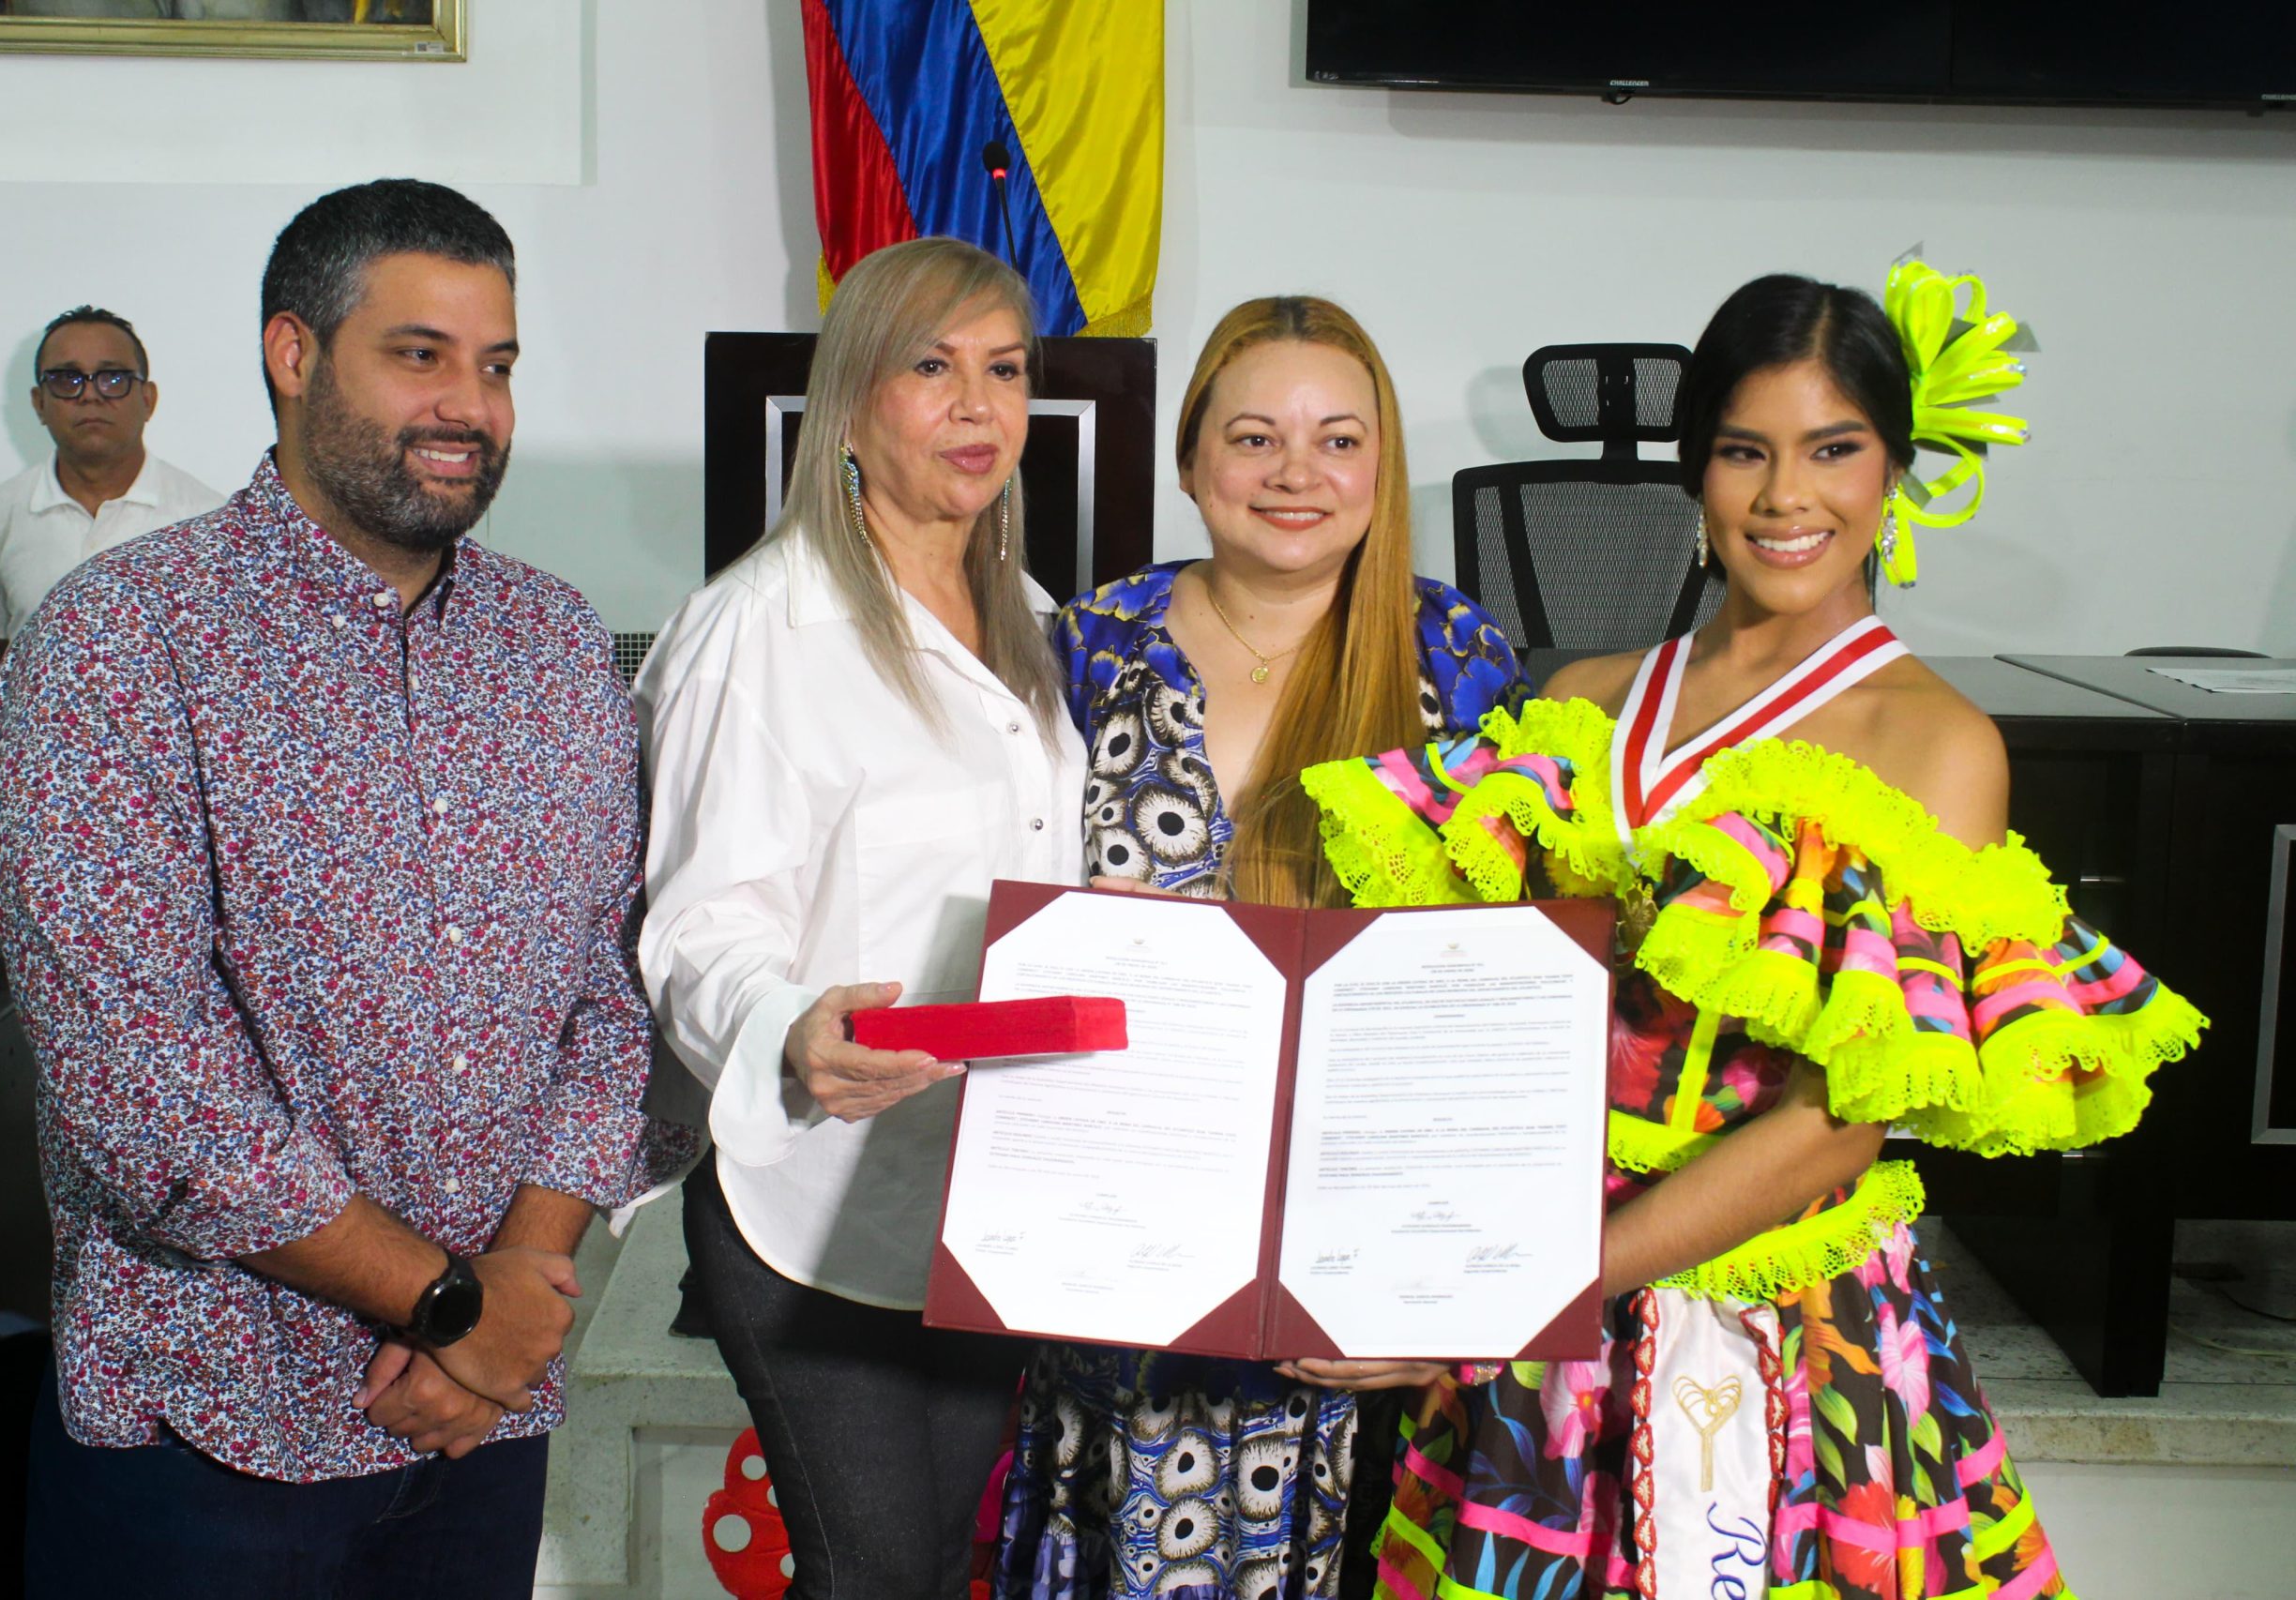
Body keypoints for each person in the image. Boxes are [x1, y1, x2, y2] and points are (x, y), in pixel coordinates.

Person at [1302, 266, 2207, 1600]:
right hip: (1545, 1332)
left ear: (1896, 468)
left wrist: (1530, 1293)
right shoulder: (1586, 700)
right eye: (1746, 451)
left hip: (1783, 1344)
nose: (1788, 498)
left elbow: (1836, 1121)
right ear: (1696, 474)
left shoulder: (1935, 744)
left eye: (1833, 449)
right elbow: (1492, 1026)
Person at [0, 178, 683, 1598]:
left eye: (496, 366)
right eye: (418, 353)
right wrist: (450, 1306)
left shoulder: (556, 648)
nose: (468, 406)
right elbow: (142, 1088)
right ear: (293, 355)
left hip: (476, 1431)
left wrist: (515, 1308)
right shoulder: (121, 645)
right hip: (208, 1435)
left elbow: (610, 1009)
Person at [997, 295, 1530, 1600]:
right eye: (1255, 437)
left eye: (1338, 440)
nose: (1297, 473)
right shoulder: (1083, 644)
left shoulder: (1456, 661)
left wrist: (1443, 1296)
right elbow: (1008, 915)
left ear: (1381, 467)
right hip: (1125, 1251)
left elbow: (1510, 1002)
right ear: (1191, 461)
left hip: (1363, 1269)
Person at [637, 235, 1085, 1600]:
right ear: (850, 400)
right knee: (870, 1570)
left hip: (985, 1195)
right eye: (931, 367)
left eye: (1003, 371)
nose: (977, 406)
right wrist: (788, 1027)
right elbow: (695, 930)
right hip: (814, 1202)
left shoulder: (1035, 615)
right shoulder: (759, 629)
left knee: (942, 1562)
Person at [0, 305, 222, 680]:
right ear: (39, 404)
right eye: (67, 379)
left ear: (148, 399)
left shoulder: (208, 522)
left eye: (113, 379)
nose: (90, 396)